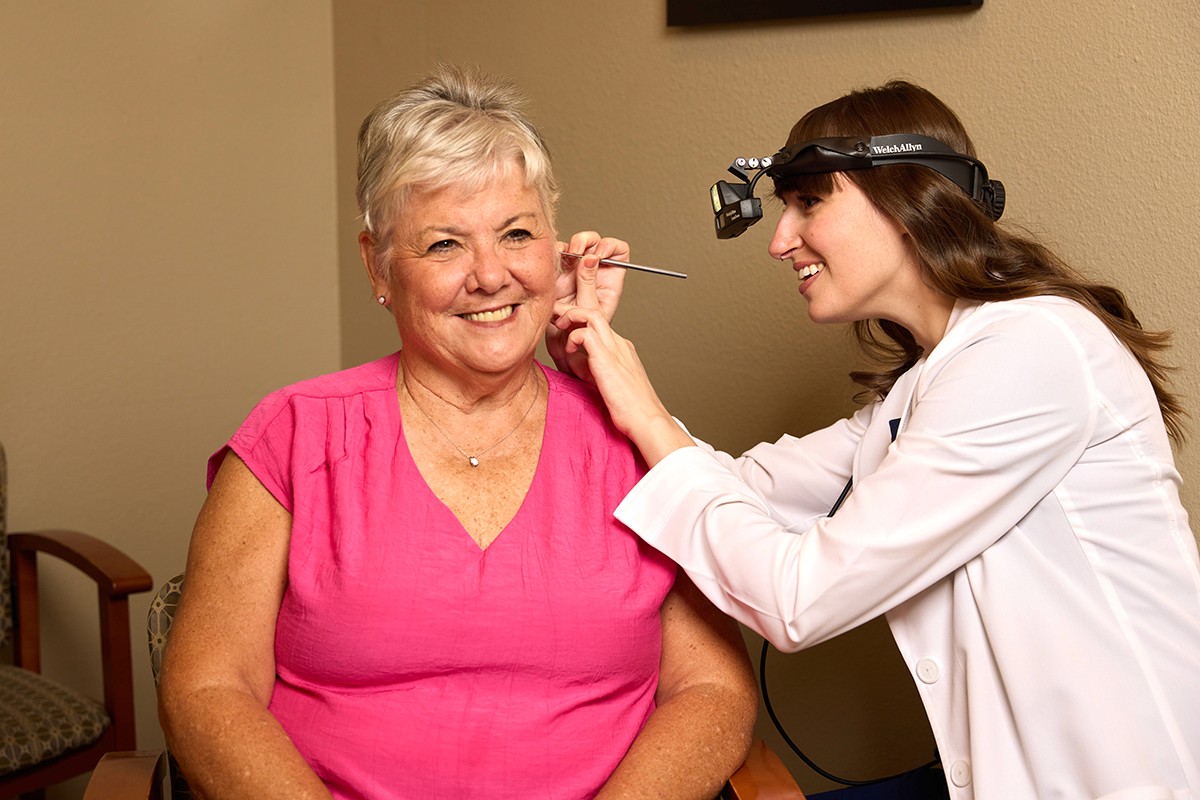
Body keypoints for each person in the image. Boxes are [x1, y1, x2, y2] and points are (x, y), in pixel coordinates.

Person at [555, 81, 1200, 799]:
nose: (779, 241)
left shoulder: (1032, 351)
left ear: (908, 199)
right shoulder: (926, 389)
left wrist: (643, 408)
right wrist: (594, 375)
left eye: (809, 202)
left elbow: (798, 599)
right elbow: (742, 488)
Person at [157, 64, 758, 800]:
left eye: (517, 234)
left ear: (559, 251)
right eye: (444, 244)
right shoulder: (293, 434)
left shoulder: (638, 443)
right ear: (378, 266)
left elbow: (713, 693)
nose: (490, 275)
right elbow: (208, 690)